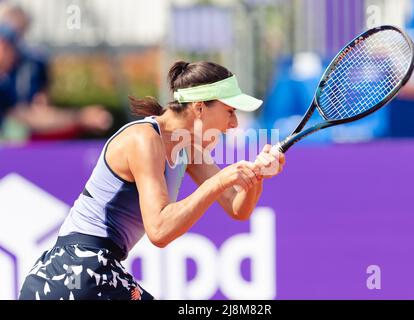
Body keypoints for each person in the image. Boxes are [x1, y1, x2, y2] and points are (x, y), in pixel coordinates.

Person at [18, 61, 285, 300]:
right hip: (75, 270)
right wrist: (219, 181)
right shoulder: (143, 140)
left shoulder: (187, 147)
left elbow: (237, 209)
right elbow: (159, 230)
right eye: (229, 111)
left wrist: (256, 176)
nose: (234, 124)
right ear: (200, 108)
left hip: (82, 273)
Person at [0, 4, 112, 141]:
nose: (15, 51)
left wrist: (80, 118)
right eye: (8, 43)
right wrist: (80, 118)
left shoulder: (11, 82)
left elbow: (29, 115)